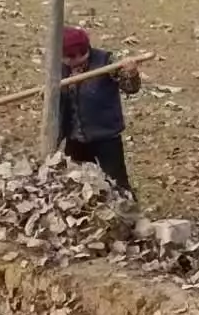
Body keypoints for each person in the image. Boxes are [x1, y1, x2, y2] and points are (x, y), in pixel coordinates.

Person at [58, 26, 141, 196]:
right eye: (70, 57)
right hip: (75, 138)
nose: (78, 59)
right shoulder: (59, 69)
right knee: (79, 182)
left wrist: (131, 73)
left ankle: (129, 215)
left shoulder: (106, 62)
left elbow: (131, 88)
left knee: (117, 182)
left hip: (106, 136)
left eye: (82, 54)